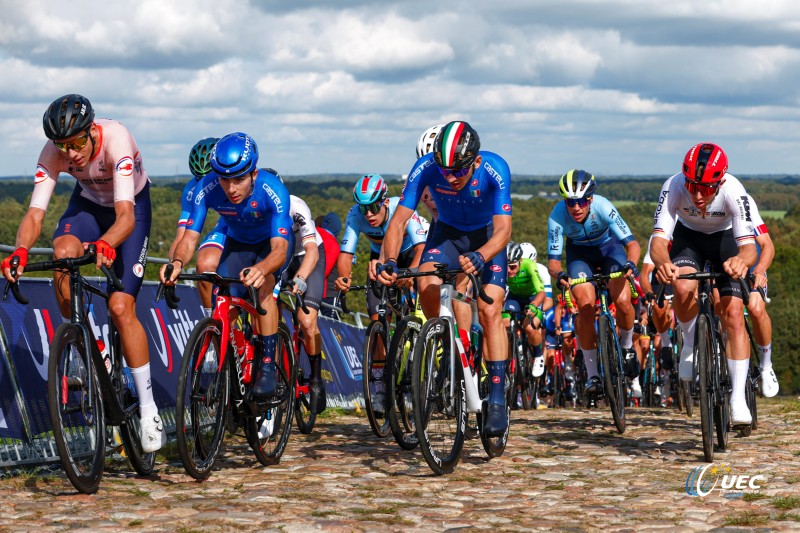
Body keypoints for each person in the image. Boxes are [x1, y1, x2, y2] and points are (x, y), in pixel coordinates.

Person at [1, 94, 165, 452]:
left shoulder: (117, 138)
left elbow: (125, 217)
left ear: (92, 131)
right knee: (62, 253)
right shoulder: (53, 153)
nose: (71, 154)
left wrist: (106, 244)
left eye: (76, 143)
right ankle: (90, 347)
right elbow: (34, 215)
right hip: (89, 206)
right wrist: (20, 252)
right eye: (63, 147)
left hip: (130, 211)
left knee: (121, 308)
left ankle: (149, 409)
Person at [377, 120, 512, 436]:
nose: (450, 177)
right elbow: (398, 222)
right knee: (425, 281)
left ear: (475, 161)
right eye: (444, 170)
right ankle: (443, 337)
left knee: (491, 310)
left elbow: (505, 230)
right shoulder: (425, 168)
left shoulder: (494, 168)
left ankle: (495, 397)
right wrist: (392, 261)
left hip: (487, 237)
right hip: (448, 234)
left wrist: (482, 255)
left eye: (459, 171)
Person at [161, 132, 293, 401]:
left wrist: (263, 268)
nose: (231, 188)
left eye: (238, 180)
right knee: (223, 298)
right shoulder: (207, 188)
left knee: (264, 286)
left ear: (254, 174)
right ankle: (232, 356)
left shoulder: (273, 191)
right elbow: (190, 238)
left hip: (270, 246)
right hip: (237, 243)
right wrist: (176, 262)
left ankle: (267, 366)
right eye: (224, 179)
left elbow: (280, 250)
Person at [651, 142, 757, 427]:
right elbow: (659, 242)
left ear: (720, 181)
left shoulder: (734, 191)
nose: (698, 194)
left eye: (707, 188)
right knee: (683, 287)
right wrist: (663, 263)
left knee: (734, 314)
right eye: (693, 185)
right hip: (689, 240)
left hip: (725, 241)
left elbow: (749, 248)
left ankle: (737, 398)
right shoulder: (673, 186)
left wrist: (742, 262)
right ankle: (688, 341)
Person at [334, 174, 426, 411]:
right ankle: (381, 389)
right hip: (381, 259)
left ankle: (417, 363)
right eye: (363, 208)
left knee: (413, 314)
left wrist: (412, 275)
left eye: (374, 207)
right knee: (376, 317)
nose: (369, 215)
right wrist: (344, 278)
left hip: (410, 256)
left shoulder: (400, 207)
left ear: (385, 202)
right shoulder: (356, 216)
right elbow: (346, 254)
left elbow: (421, 248)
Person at [547, 169, 641, 397]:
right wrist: (560, 276)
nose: (576, 208)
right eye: (570, 202)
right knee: (585, 306)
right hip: (580, 255)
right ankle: (592, 375)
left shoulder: (603, 207)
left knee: (622, 300)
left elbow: (633, 244)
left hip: (610, 249)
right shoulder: (557, 215)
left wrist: (630, 264)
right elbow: (553, 262)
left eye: (580, 201)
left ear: (589, 199)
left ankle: (627, 346)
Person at [169, 137, 225, 316]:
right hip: (222, 226)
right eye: (200, 178)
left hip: (236, 223)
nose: (205, 183)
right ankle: (212, 321)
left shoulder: (233, 183)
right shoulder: (193, 189)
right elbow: (183, 236)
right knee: (204, 264)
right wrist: (173, 267)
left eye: (210, 177)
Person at [282, 195, 327, 413]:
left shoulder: (296, 206)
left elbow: (311, 251)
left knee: (307, 321)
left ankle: (316, 379)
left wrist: (300, 278)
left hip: (307, 256)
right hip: (281, 258)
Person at [742, 194, 778, 397]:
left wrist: (760, 270)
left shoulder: (743, 201)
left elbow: (767, 244)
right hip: (723, 264)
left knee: (755, 307)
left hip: (752, 266)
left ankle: (766, 364)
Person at [503, 242, 547, 395]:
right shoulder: (504, 267)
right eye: (506, 267)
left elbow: (542, 293)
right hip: (514, 297)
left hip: (532, 298)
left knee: (529, 327)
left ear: (520, 261)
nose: (509, 271)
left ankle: (537, 355)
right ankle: (507, 361)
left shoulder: (529, 266)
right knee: (505, 323)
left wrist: (534, 306)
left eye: (513, 267)